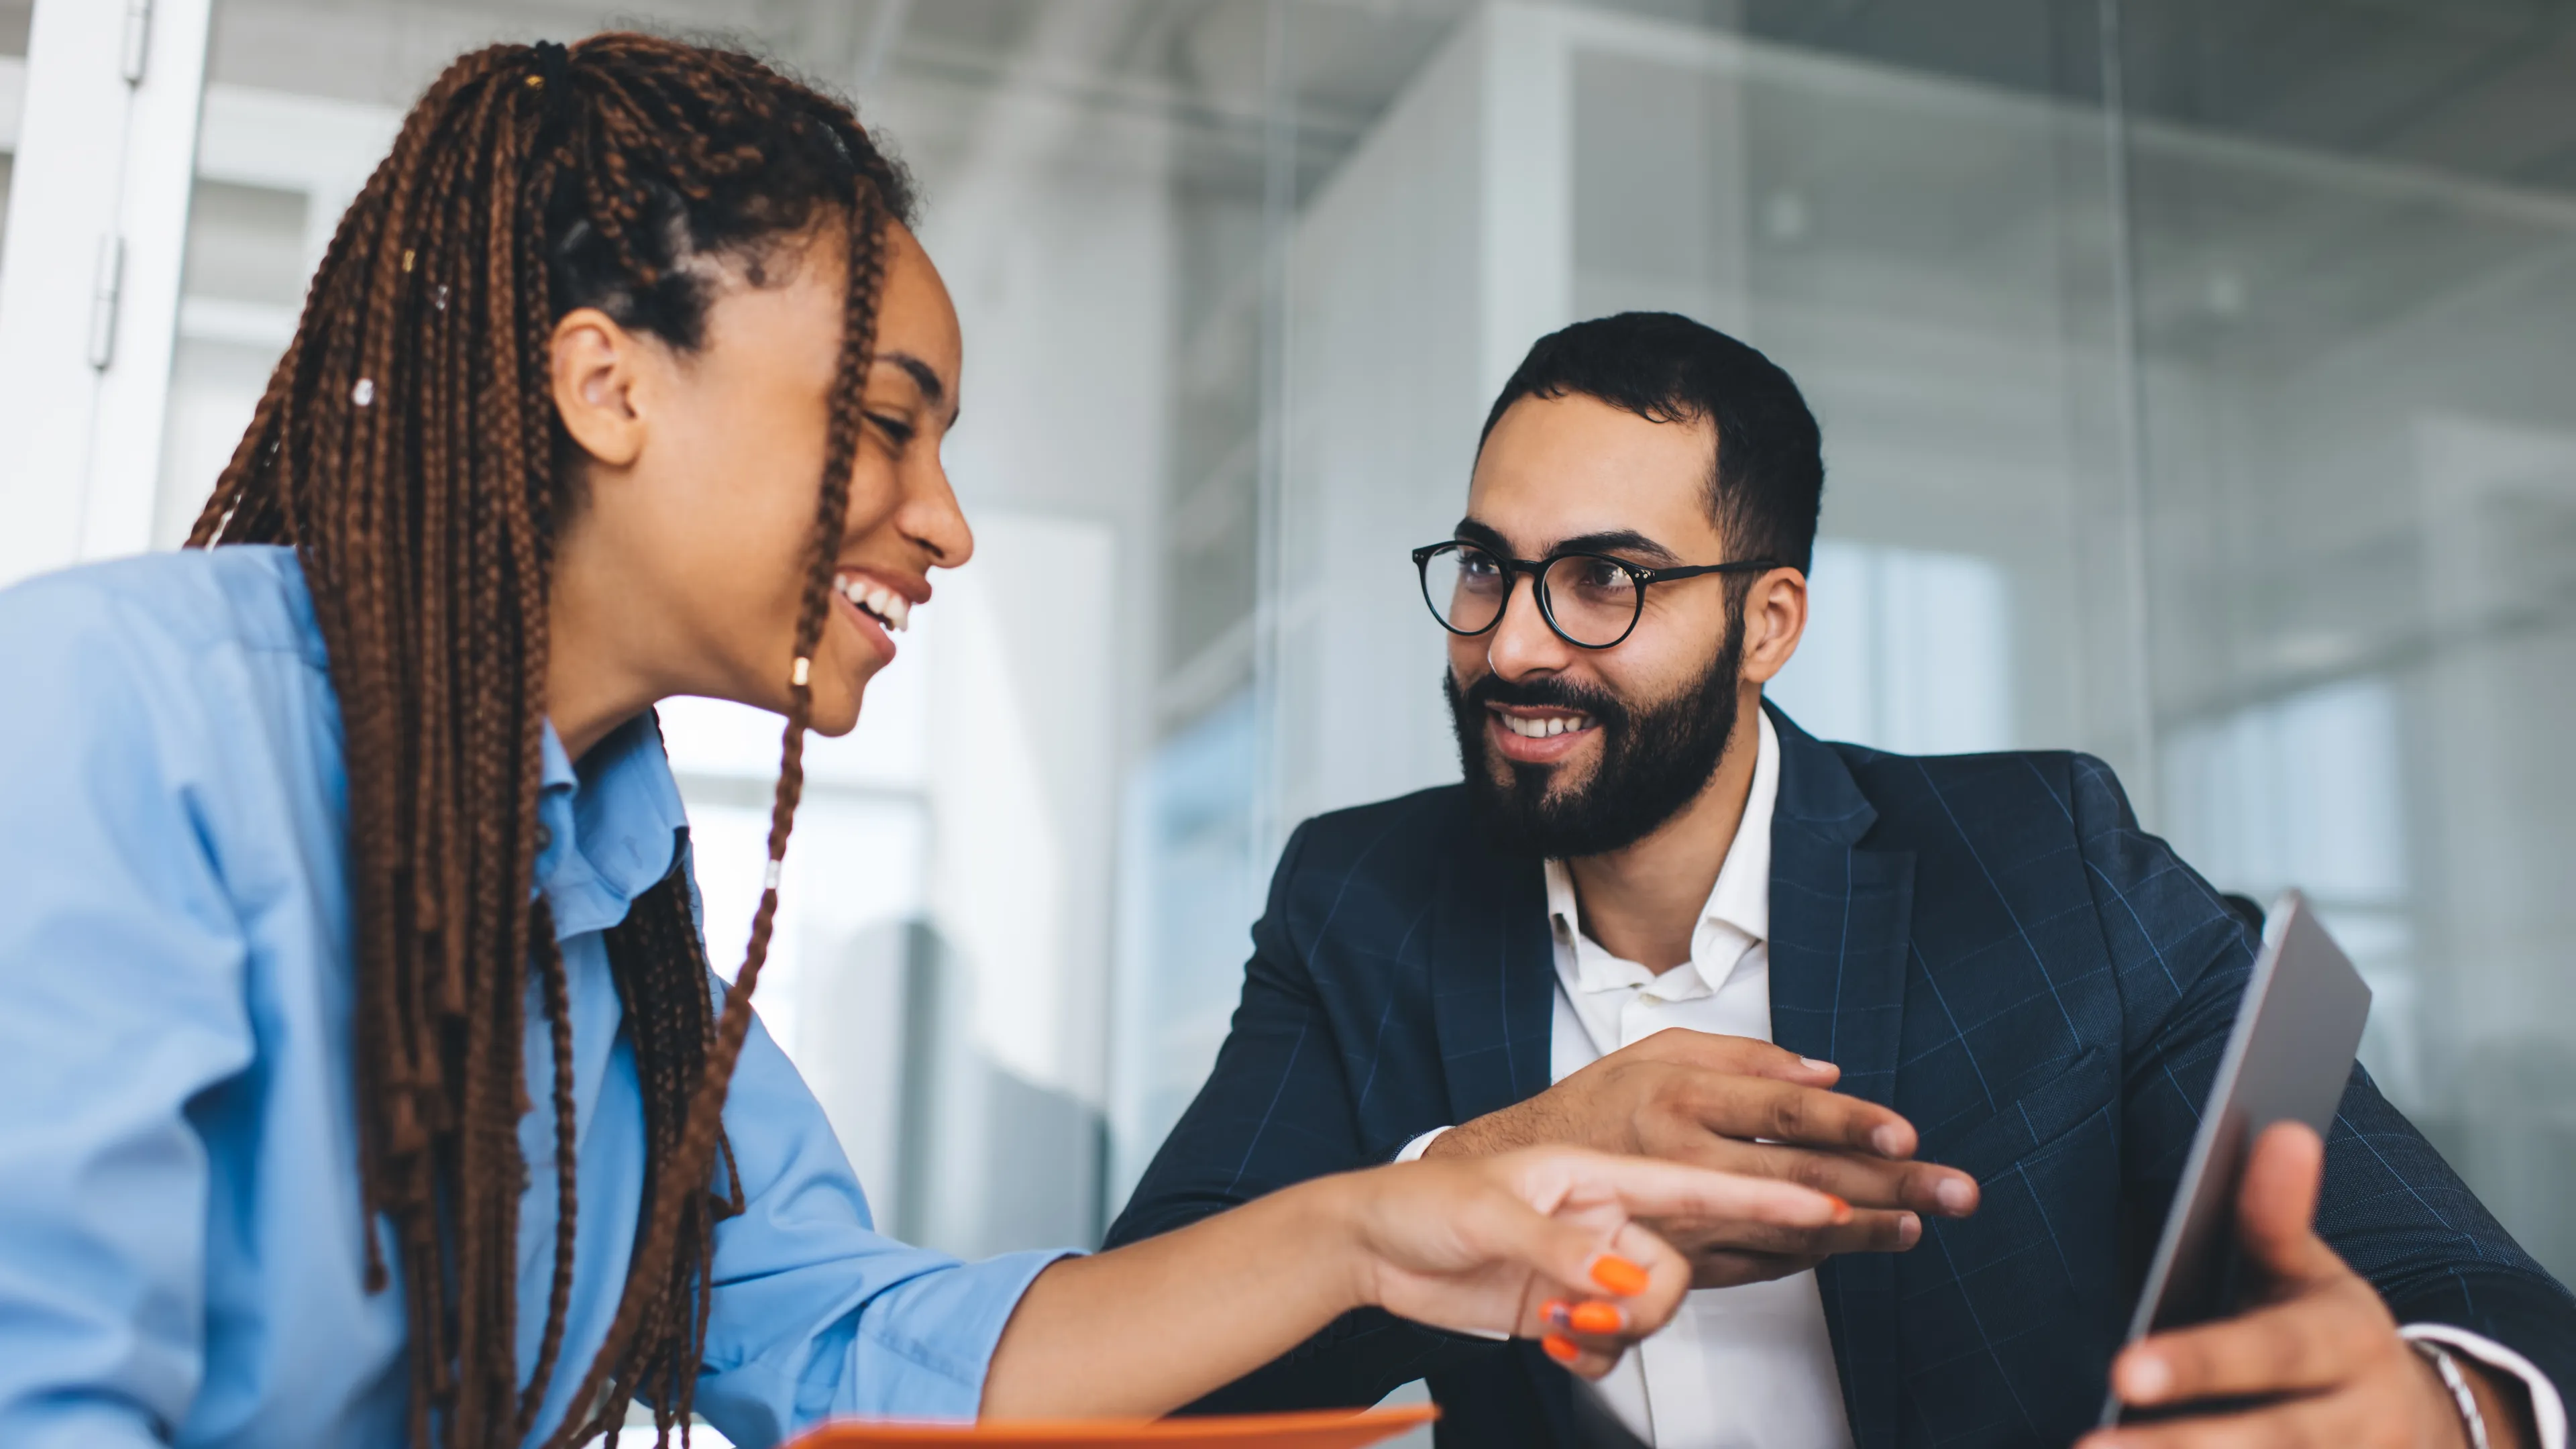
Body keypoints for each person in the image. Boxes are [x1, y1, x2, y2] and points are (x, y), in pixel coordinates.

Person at [0, 44, 1851, 1449]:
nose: (945, 523)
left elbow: (866, 1342)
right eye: (888, 425)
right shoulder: (113, 729)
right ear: (607, 383)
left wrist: (1385, 1231)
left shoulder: (621, 932)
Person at [1108, 311, 2576, 1448]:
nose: (1513, 645)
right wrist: (1484, 1166)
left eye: (1607, 580)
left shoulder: (2046, 864)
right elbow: (1144, 1365)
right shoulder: (1360, 898)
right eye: (1488, 567)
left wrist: (2434, 1412)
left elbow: (2478, 1298)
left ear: (1768, 624)